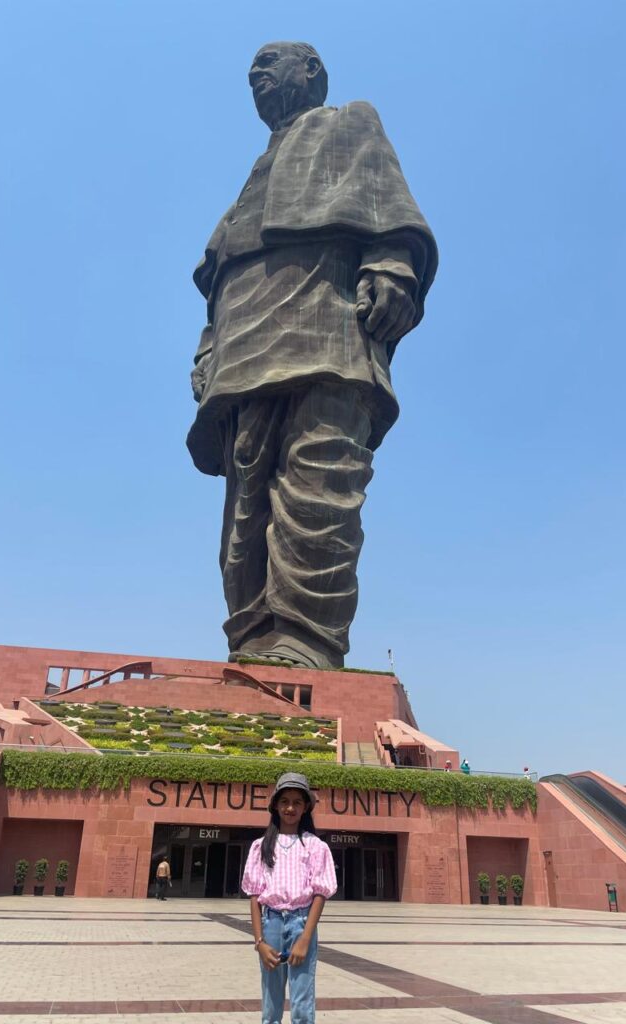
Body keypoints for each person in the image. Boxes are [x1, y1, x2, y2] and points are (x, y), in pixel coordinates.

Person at [187, 41, 437, 671]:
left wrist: (392, 265)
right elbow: (218, 277)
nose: (257, 78)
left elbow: (390, 212)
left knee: (319, 476)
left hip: (323, 317)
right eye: (250, 75)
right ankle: (252, 641)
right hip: (246, 338)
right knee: (247, 496)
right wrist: (207, 347)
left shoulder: (348, 122)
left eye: (270, 65)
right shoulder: (248, 180)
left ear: (313, 72)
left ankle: (306, 641)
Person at [242, 771, 337, 1024]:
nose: (290, 807)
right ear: (275, 806)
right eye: (284, 801)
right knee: (271, 1003)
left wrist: (305, 938)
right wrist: (259, 941)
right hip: (271, 923)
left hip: (301, 923)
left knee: (302, 1003)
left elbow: (320, 893)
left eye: (297, 802)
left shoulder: (316, 846)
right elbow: (254, 895)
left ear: (306, 807)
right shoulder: (261, 846)